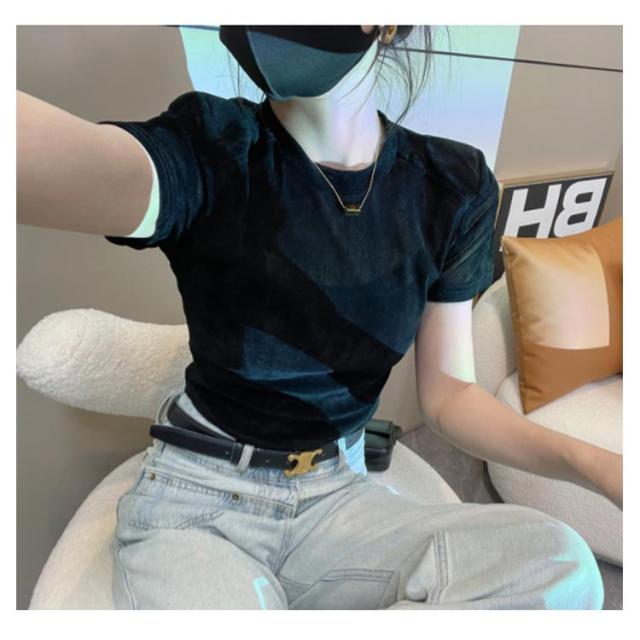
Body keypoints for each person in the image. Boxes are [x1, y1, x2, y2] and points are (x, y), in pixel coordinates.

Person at [17, 25, 619, 610]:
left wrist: (593, 463)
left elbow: (451, 395)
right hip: (201, 498)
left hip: (338, 495)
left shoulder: (453, 187)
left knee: (559, 567)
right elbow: (89, 166)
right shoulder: (211, 145)